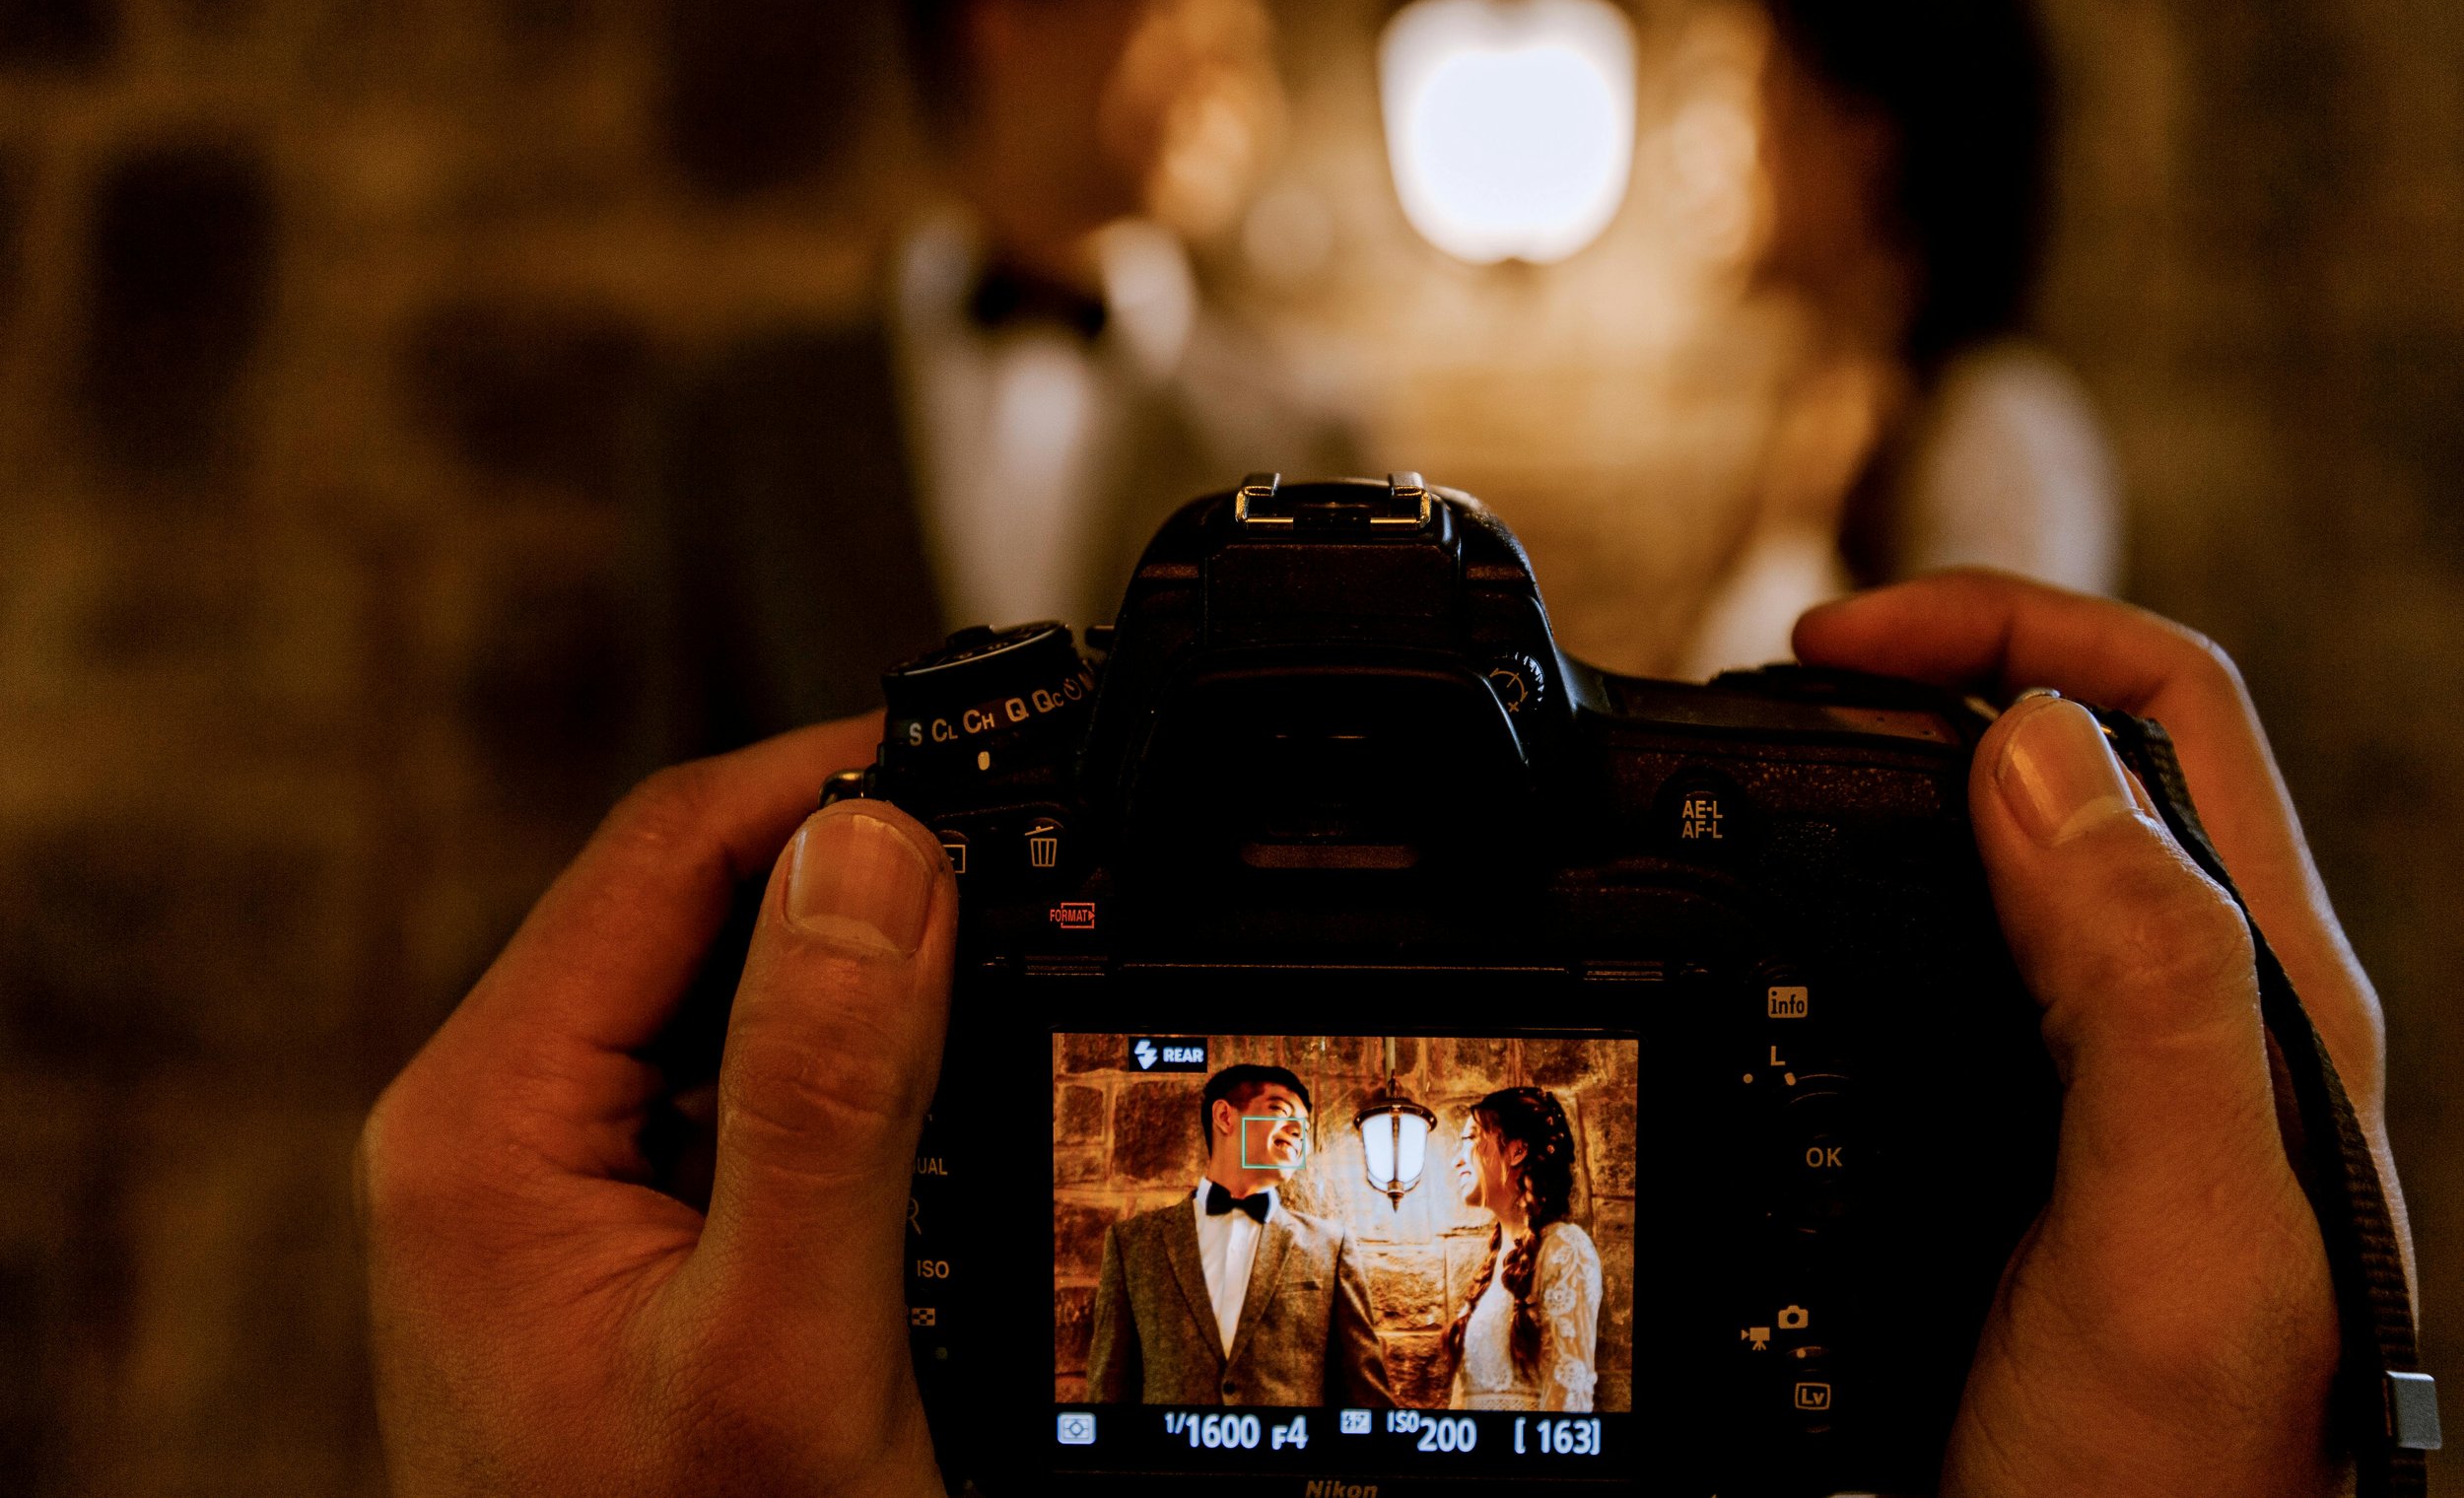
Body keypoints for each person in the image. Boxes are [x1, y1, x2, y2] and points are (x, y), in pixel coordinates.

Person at [359, 572, 2401, 1496]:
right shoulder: (1153, 1255)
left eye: (1277, 1116)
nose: (1277, 1139)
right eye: (1249, 1114)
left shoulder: (1510, 1256)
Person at [634, 0, 1353, 763]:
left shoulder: (1314, 430)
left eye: (1252, 45)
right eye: (1183, 18)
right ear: (1003, 23)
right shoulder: (746, 421)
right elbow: (685, 787)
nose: (1237, 87)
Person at [1682, 0, 2123, 677]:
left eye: (1767, 109)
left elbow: (1990, 743)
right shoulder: (1835, 417)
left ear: (1867, 139)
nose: (1727, 151)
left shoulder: (2003, 432)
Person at [1083, 1063, 1394, 1408]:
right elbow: (1108, 1393)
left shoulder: (1330, 1246)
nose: (1297, 1130)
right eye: (1279, 1110)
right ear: (1225, 1117)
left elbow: (1366, 1396)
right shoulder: (1133, 1244)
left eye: (1304, 1125)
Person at [1442, 1087, 1603, 1413]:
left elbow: (1567, 1400)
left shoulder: (1564, 1249)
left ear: (1516, 1151)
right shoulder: (1497, 1261)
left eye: (1471, 1138)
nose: (1456, 1159)